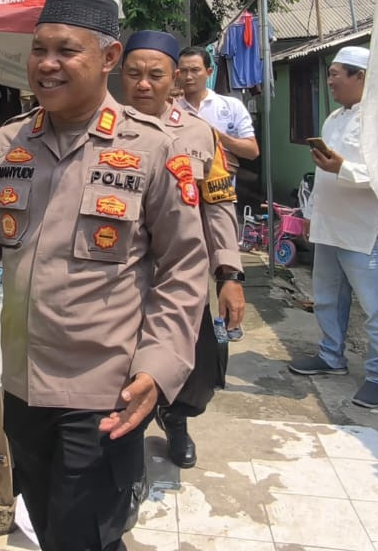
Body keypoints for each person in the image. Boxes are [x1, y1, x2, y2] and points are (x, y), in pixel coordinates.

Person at [0, 0, 210, 551]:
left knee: (86, 535)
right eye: (39, 49)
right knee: (47, 524)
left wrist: (158, 367)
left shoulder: (152, 148)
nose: (47, 64)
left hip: (102, 390)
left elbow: (184, 267)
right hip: (22, 384)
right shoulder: (11, 140)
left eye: (66, 50)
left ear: (109, 58)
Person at [120, 30, 246, 468]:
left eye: (155, 75)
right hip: (120, 277)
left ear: (175, 79)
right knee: (122, 367)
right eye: (133, 74)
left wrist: (229, 275)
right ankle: (126, 448)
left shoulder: (200, 135)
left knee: (189, 364)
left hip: (182, 277)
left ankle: (176, 423)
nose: (143, 84)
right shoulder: (103, 130)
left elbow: (219, 204)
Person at [288, 46, 378, 409]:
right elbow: (323, 174)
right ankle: (331, 356)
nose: (329, 80)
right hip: (329, 227)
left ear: (360, 76)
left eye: (336, 73)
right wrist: (310, 214)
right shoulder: (333, 119)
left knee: (377, 309)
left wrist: (343, 169)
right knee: (327, 300)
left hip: (364, 232)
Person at [176, 46, 260, 161]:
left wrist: (214, 135)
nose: (189, 76)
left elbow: (252, 151)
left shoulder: (232, 106)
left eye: (195, 70)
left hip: (220, 177)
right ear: (177, 74)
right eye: (183, 71)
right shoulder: (172, 109)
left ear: (209, 72)